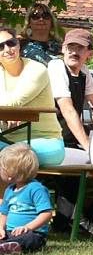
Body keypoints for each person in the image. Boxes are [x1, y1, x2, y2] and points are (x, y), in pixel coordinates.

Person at [0, 26, 66, 166]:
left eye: (11, 43)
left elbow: (12, 103)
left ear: (18, 43)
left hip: (47, 142)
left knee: (8, 157)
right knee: (7, 155)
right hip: (8, 142)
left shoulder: (37, 69)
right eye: (0, 46)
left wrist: (10, 112)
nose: (7, 49)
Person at [47, 29, 93, 158]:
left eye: (80, 48)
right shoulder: (56, 67)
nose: (74, 52)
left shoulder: (84, 71)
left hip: (68, 140)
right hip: (51, 140)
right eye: (70, 47)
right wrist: (88, 147)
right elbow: (68, 110)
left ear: (90, 53)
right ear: (63, 49)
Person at [0, 143, 52, 254]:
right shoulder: (9, 190)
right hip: (10, 232)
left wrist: (27, 227)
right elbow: (4, 214)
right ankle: (8, 246)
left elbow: (46, 214)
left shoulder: (36, 189)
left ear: (10, 173)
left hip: (32, 233)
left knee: (30, 239)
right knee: (5, 237)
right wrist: (0, 228)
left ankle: (10, 246)